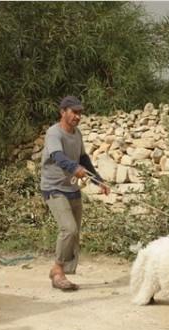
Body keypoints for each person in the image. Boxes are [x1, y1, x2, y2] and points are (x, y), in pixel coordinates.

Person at [40, 95, 110, 291]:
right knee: (68, 229)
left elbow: (83, 158)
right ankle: (58, 270)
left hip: (71, 188)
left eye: (80, 113)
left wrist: (99, 180)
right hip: (54, 188)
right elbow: (58, 156)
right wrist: (74, 167)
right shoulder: (54, 133)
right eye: (74, 112)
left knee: (75, 233)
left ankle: (63, 273)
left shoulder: (77, 133)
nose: (78, 116)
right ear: (63, 112)